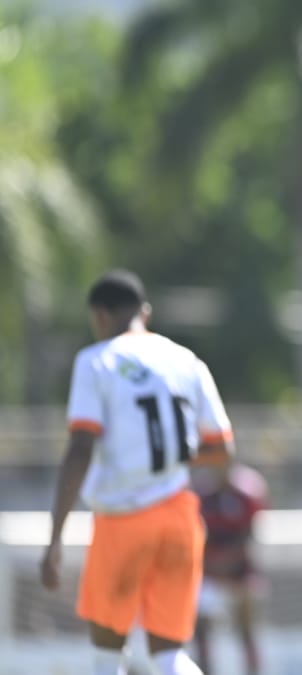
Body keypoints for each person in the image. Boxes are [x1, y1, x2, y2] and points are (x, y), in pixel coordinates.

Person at [41, 269, 234, 675]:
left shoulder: (97, 360)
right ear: (145, 313)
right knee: (169, 656)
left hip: (123, 519)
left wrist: (55, 535)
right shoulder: (186, 360)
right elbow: (221, 449)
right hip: (179, 516)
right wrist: (163, 457)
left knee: (107, 657)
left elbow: (80, 447)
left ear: (99, 315)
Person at [192, 461, 269, 675]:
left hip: (239, 570)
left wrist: (229, 561)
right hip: (209, 571)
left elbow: (249, 534)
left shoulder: (247, 490)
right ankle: (205, 670)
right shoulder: (202, 492)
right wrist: (212, 563)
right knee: (202, 627)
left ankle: (252, 670)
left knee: (246, 627)